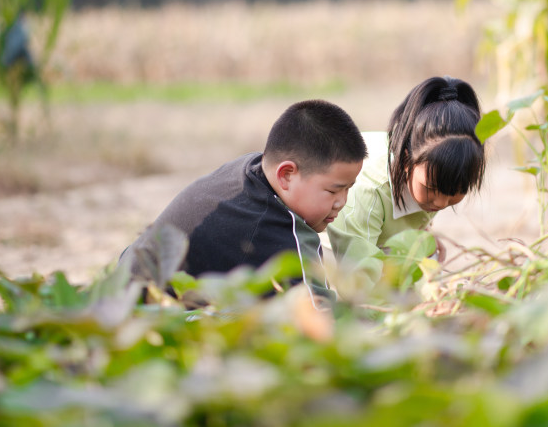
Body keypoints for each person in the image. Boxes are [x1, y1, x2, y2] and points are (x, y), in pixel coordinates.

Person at [122, 99, 367, 307]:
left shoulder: (250, 168)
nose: (341, 202)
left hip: (119, 286)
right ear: (287, 175)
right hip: (144, 320)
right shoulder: (280, 229)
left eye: (348, 189)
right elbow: (321, 320)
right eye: (333, 190)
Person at [326, 76, 486, 287]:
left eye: (456, 191)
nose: (440, 203)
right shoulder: (369, 190)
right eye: (432, 188)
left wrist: (422, 234)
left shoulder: (427, 174)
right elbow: (359, 285)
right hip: (329, 260)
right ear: (406, 160)